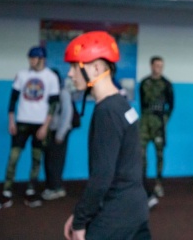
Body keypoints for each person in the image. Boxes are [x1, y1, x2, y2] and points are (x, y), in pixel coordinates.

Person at [62, 31, 150, 240]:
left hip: (116, 214)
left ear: (96, 68)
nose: (70, 74)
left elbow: (102, 176)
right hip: (135, 207)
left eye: (75, 66)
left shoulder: (107, 112)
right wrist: (80, 213)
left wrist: (80, 219)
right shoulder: (121, 104)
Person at [0, 46, 60, 210]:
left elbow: (54, 104)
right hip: (22, 123)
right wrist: (11, 121)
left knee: (36, 159)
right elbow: (13, 99)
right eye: (30, 58)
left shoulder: (51, 77)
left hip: (40, 125)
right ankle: (6, 193)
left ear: (42, 59)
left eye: (34, 58)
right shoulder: (22, 75)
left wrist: (45, 126)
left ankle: (30, 191)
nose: (31, 61)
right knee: (13, 157)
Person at [139, 56, 174, 204]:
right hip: (145, 123)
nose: (158, 68)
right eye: (156, 65)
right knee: (141, 154)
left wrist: (164, 120)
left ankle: (159, 184)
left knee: (159, 154)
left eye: (161, 66)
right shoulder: (144, 83)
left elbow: (171, 105)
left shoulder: (166, 84)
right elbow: (142, 104)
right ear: (151, 66)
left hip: (159, 123)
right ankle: (142, 184)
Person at [42, 68, 74, 201]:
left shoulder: (63, 92)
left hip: (59, 131)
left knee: (56, 160)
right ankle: (51, 186)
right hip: (49, 131)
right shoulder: (48, 93)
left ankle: (57, 188)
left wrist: (60, 134)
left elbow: (67, 114)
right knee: (48, 159)